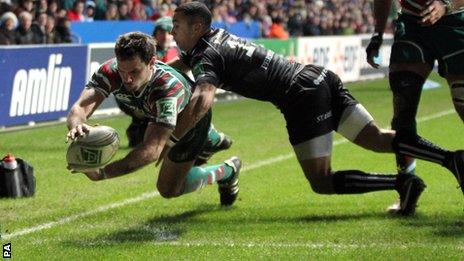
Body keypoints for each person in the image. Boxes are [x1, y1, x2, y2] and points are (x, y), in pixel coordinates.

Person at [168, 2, 464, 215]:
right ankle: (451, 159)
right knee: (375, 137)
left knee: (321, 180)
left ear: (197, 28)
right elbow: (190, 61)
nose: (171, 32)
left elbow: (203, 96)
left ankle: (403, 182)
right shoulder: (216, 37)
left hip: (300, 96)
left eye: (176, 26)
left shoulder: (206, 54)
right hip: (318, 77)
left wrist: (171, 138)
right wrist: (158, 68)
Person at [66, 32, 241, 206]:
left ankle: (227, 171)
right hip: (154, 114)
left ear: (152, 63)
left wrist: (104, 172)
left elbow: (152, 149)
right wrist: (77, 126)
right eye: (122, 70)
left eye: (134, 71)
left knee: (168, 189)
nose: (127, 78)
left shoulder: (166, 89)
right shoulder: (110, 72)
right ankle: (212, 139)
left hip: (189, 122)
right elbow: (80, 107)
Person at [366, 0, 464, 211]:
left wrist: (445, 5)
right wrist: (377, 34)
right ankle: (408, 186)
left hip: (455, 23)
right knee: (402, 111)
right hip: (412, 27)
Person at [116, 15, 232, 167]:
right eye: (161, 32)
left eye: (168, 32)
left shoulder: (174, 52)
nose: (165, 36)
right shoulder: (144, 53)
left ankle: (211, 137)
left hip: (161, 99)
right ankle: (211, 139)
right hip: (143, 100)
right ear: (155, 34)